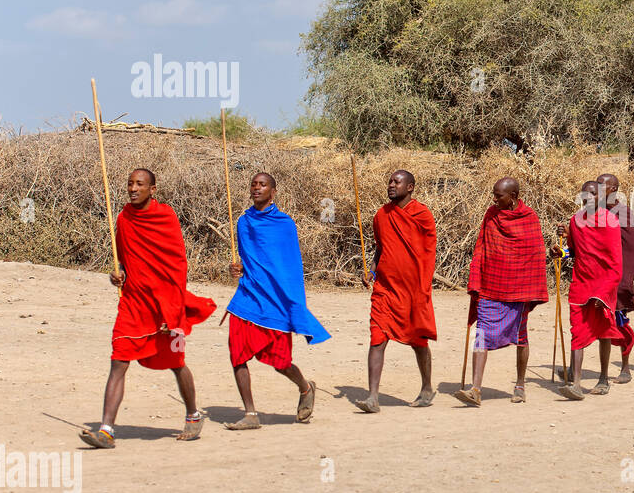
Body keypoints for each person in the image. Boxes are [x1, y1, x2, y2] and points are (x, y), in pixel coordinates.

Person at [80, 169, 217, 449]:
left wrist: (171, 310)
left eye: (139, 184)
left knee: (177, 363)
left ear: (153, 189)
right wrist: (116, 274)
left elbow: (178, 266)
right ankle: (106, 430)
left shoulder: (165, 217)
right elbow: (122, 261)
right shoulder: (122, 218)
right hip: (133, 302)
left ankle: (193, 414)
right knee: (119, 360)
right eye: (129, 183)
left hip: (167, 306)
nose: (133, 188)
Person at [223, 173, 330, 430]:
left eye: (263, 185)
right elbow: (248, 259)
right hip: (248, 296)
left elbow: (289, 266)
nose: (257, 188)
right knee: (237, 355)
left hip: (276, 300)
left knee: (279, 362)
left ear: (274, 191)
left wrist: (294, 303)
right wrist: (236, 269)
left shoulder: (285, 224)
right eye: (253, 184)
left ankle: (305, 388)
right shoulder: (243, 221)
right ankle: (250, 414)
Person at [457, 177, 548, 406]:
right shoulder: (491, 214)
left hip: (519, 289)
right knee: (482, 334)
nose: (494, 199)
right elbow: (482, 246)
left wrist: (531, 290)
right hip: (491, 284)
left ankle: (520, 384)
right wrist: (476, 276)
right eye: (494, 195)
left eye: (499, 196)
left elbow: (536, 254)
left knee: (521, 337)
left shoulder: (529, 218)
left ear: (513, 197)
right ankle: (476, 389)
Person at [355, 170, 437, 413]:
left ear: (410, 187)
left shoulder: (422, 215)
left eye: (396, 182)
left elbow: (428, 251)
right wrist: (372, 271)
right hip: (385, 289)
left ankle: (426, 387)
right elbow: (382, 247)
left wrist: (422, 284)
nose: (391, 185)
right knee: (377, 338)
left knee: (418, 341)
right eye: (390, 182)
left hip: (413, 290)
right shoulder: (381, 215)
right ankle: (372, 397)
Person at [553, 181, 632, 400]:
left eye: (593, 194)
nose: (588, 198)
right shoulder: (575, 220)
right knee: (577, 331)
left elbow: (616, 264)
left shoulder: (611, 221)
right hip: (581, 283)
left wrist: (605, 292)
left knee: (604, 332)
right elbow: (572, 251)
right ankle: (576, 384)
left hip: (603, 285)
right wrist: (560, 252)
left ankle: (604, 378)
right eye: (584, 194)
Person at [597, 173, 634, 385]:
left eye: (601, 186)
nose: (596, 189)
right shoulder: (592, 211)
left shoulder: (622, 212)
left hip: (616, 278)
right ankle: (574, 369)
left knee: (619, 322)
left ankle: (626, 367)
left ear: (613, 189)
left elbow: (632, 249)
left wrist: (624, 280)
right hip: (597, 277)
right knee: (588, 322)